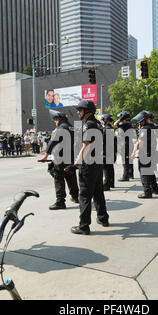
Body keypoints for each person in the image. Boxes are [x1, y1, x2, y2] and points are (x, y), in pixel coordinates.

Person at [72, 99, 109, 235]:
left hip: (88, 164)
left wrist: (78, 161)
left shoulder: (88, 124)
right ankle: (103, 218)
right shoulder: (98, 123)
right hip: (98, 162)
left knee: (85, 196)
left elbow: (86, 145)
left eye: (80, 110)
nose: (78, 112)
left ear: (87, 112)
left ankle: (84, 226)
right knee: (98, 193)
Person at [38, 110, 79, 210]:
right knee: (71, 177)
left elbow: (52, 143)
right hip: (71, 157)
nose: (54, 122)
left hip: (60, 158)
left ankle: (60, 202)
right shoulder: (73, 128)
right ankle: (76, 197)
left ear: (60, 120)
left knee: (58, 178)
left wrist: (45, 156)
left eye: (55, 119)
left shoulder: (60, 128)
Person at [131, 111, 158, 198]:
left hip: (145, 153)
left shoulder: (145, 129)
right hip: (151, 152)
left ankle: (147, 192)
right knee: (149, 171)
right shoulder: (152, 127)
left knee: (144, 173)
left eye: (141, 121)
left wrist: (134, 152)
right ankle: (155, 189)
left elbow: (140, 142)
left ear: (145, 120)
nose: (139, 122)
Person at [114, 111, 135, 181]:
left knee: (125, 161)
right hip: (129, 144)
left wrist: (120, 119)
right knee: (129, 160)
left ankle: (125, 177)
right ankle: (130, 174)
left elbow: (115, 124)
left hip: (125, 145)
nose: (120, 118)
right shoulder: (129, 123)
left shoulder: (125, 123)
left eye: (121, 116)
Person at [101, 114, 117, 191]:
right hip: (111, 151)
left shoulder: (104, 130)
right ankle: (111, 183)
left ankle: (106, 185)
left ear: (106, 121)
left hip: (105, 152)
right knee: (110, 168)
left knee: (106, 169)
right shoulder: (111, 129)